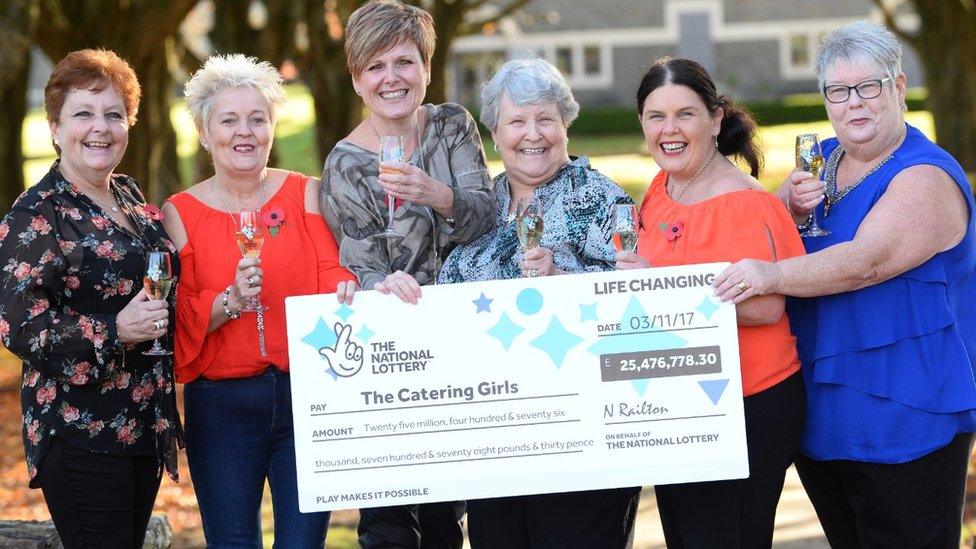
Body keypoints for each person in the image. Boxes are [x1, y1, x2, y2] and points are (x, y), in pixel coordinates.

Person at [713, 21, 976, 547]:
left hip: (907, 417)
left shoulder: (924, 176)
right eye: (837, 91)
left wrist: (771, 274)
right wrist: (782, 207)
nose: (853, 103)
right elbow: (773, 232)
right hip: (824, 420)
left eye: (868, 87)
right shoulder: (823, 160)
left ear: (898, 87)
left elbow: (866, 262)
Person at [436, 57, 641, 548]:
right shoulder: (479, 206)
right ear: (495, 131)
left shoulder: (602, 198)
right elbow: (443, 300)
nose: (533, 134)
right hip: (496, 440)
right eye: (517, 121)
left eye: (545, 118)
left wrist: (564, 278)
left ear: (566, 125)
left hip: (586, 437)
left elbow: (634, 299)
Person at [162, 54, 355, 548]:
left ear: (272, 126)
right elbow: (176, 317)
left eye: (257, 118)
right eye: (228, 120)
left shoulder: (304, 193)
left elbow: (331, 272)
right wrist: (226, 302)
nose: (244, 132)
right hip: (222, 407)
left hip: (307, 396)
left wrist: (349, 288)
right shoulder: (179, 212)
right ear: (205, 133)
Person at [319, 1, 493, 547]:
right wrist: (382, 287)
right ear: (356, 78)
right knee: (390, 521)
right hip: (393, 353)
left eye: (404, 62)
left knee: (448, 516)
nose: (391, 77)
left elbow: (489, 216)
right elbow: (362, 266)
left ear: (426, 68)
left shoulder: (452, 126)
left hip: (466, 342)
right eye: (375, 66)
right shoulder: (345, 165)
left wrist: (438, 196)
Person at [616, 56, 807, 547]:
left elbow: (767, 308)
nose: (669, 129)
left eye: (686, 114)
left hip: (744, 406)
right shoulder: (662, 187)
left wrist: (656, 285)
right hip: (680, 405)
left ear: (716, 119)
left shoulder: (745, 203)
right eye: (656, 116)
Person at [0, 49, 181, 548]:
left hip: (143, 420)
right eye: (83, 113)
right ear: (55, 127)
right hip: (81, 430)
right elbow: (19, 326)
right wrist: (114, 330)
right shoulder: (37, 214)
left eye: (113, 114)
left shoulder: (128, 196)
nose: (100, 128)